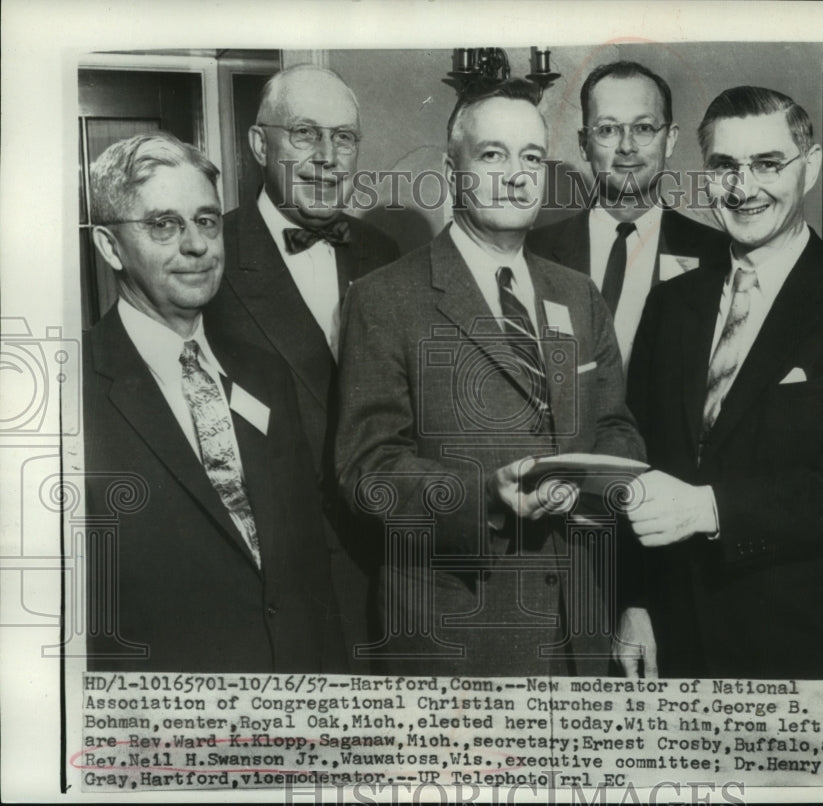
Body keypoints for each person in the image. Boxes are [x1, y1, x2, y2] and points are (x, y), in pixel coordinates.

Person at [334, 80, 645, 676]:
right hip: (458, 636)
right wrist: (488, 499)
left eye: (531, 156)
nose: (517, 174)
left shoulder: (578, 295)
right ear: (453, 172)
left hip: (580, 626)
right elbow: (366, 470)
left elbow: (615, 425)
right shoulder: (385, 299)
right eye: (493, 154)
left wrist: (597, 481)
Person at [83, 132, 345, 672]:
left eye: (206, 220)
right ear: (110, 246)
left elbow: (308, 576)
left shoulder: (266, 375)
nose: (197, 245)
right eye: (163, 225)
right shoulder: (71, 393)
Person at [619, 86, 823, 679]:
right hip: (672, 637)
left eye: (768, 164)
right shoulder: (671, 305)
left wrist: (710, 508)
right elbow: (636, 457)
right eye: (724, 167)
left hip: (796, 644)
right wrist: (636, 602)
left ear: (813, 165)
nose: (743, 189)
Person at [204, 64, 400, 668]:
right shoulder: (208, 258)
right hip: (273, 582)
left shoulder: (385, 254)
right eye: (305, 134)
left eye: (343, 137)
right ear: (260, 144)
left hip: (382, 571)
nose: (327, 157)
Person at [527, 61, 725, 371]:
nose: (627, 147)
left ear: (670, 139)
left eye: (644, 128)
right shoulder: (533, 252)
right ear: (584, 144)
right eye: (607, 129)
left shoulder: (717, 255)